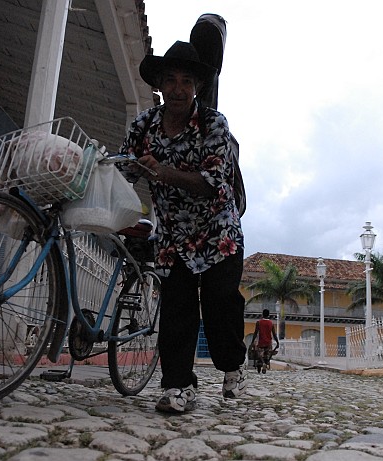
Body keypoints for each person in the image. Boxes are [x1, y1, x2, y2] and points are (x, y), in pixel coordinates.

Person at [118, 41, 247, 414]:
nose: (177, 88)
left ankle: (233, 365)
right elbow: (125, 168)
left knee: (220, 305)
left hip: (217, 233)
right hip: (172, 237)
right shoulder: (144, 124)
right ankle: (178, 386)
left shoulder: (213, 124)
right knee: (177, 311)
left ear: (197, 87)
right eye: (170, 80)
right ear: (159, 84)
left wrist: (160, 170)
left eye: (186, 81)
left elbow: (211, 182)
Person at [250, 309, 280, 374]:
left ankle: (263, 363)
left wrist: (252, 342)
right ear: (268, 315)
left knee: (259, 354)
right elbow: (274, 334)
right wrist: (277, 342)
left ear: (262, 314)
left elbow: (255, 333)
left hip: (261, 342)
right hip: (268, 343)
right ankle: (265, 363)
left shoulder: (259, 322)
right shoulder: (271, 323)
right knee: (267, 356)